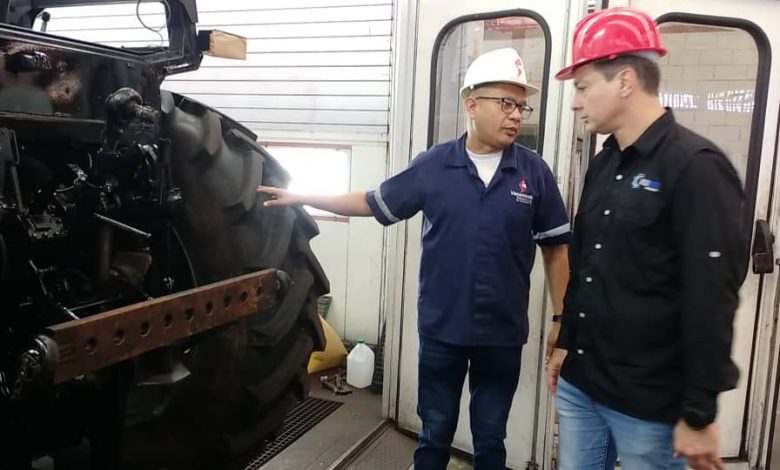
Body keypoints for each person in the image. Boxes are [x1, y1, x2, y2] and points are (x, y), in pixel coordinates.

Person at [258, 47, 571, 469]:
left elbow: (555, 248)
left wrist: (561, 319)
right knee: (434, 432)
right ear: (472, 104)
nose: (516, 115)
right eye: (506, 103)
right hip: (442, 329)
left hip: (502, 332)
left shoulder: (534, 173)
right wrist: (304, 196)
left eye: (521, 106)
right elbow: (372, 201)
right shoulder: (435, 165)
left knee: (491, 437)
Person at [546, 7, 748, 470]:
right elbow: (587, 266)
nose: (575, 103)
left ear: (624, 80)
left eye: (582, 87)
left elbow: (712, 297)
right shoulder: (605, 163)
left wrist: (698, 412)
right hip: (582, 382)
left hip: (649, 403)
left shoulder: (696, 167)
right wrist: (566, 342)